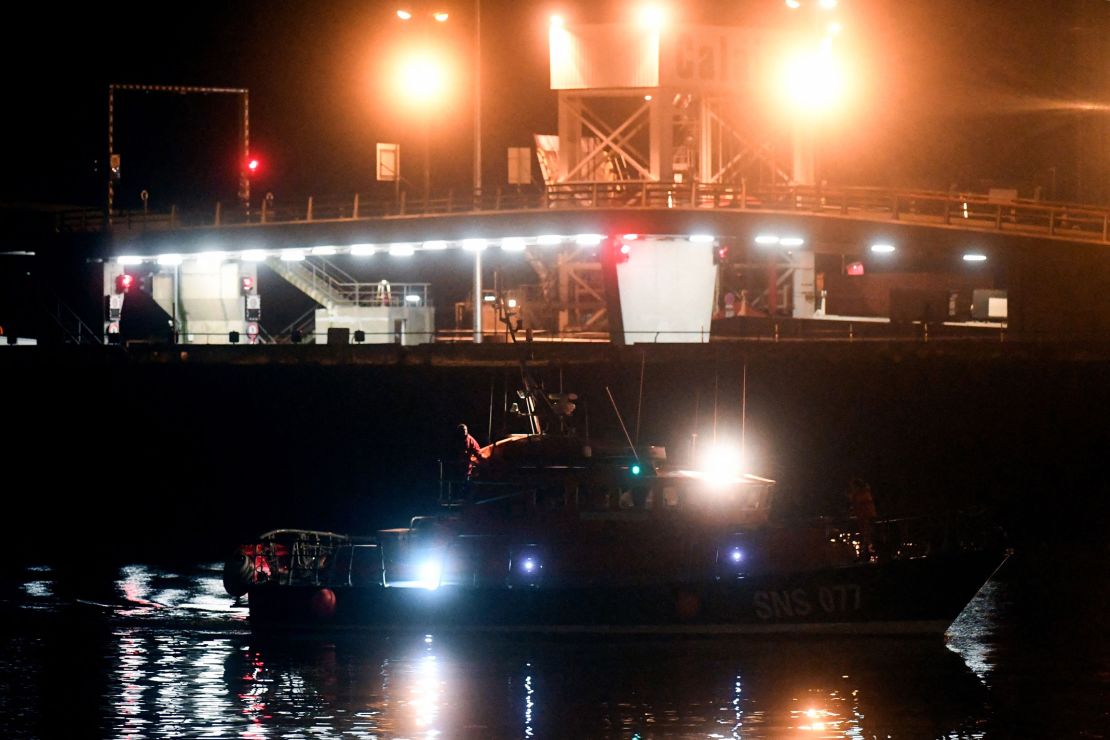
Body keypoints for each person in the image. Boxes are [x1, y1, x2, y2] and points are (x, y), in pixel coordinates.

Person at [847, 477, 877, 561]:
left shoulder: (863, 494)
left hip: (867, 518)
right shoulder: (860, 494)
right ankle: (865, 553)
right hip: (862, 518)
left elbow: (862, 505)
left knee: (868, 535)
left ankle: (867, 554)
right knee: (865, 536)